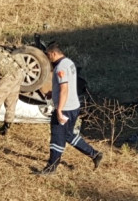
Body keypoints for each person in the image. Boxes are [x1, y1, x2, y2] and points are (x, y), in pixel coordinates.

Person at [35, 42, 103, 175]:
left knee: (57, 137)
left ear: (54, 53)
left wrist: (59, 110)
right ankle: (94, 154)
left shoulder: (60, 67)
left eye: (49, 55)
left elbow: (64, 89)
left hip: (65, 108)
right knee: (69, 135)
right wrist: (53, 92)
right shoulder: (69, 62)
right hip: (73, 106)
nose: (48, 58)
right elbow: (66, 85)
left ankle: (51, 167)